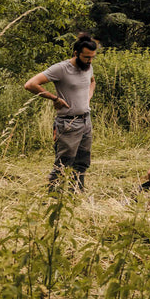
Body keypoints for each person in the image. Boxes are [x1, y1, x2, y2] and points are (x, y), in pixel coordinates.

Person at [24, 33, 98, 190]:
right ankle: (54, 197)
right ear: (76, 53)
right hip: (68, 123)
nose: (90, 61)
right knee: (64, 163)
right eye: (86, 57)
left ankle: (76, 194)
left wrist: (88, 98)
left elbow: (92, 82)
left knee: (82, 162)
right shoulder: (61, 69)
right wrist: (54, 98)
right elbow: (30, 84)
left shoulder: (88, 67)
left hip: (86, 121)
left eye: (92, 57)